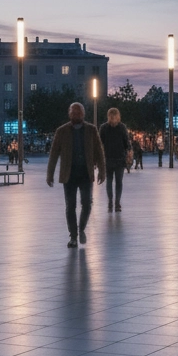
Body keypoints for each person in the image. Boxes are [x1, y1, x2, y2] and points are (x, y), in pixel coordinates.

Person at [46, 102, 105, 248]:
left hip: (86, 173)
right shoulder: (62, 131)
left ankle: (81, 228)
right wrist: (50, 174)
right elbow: (54, 154)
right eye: (74, 112)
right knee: (70, 206)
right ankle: (73, 237)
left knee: (87, 203)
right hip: (69, 174)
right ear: (69, 113)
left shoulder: (91, 130)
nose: (76, 115)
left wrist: (102, 171)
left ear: (83, 114)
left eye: (79, 112)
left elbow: (99, 151)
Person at [99, 108, 130, 212]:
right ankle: (115, 203)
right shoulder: (121, 127)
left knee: (111, 181)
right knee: (117, 182)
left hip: (111, 158)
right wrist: (129, 151)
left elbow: (100, 143)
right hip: (116, 158)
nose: (113, 118)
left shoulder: (104, 127)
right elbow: (127, 142)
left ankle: (112, 202)